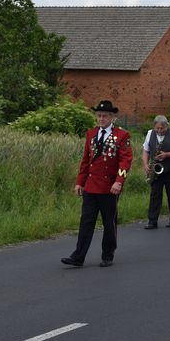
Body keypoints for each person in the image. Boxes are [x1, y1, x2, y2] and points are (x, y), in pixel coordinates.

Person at [62, 100, 133, 268]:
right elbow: (86, 160)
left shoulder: (122, 136)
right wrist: (80, 182)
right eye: (99, 116)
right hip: (91, 186)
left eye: (105, 116)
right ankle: (78, 256)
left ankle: (108, 254)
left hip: (109, 187)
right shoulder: (91, 134)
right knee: (86, 222)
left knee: (109, 222)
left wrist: (119, 181)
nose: (101, 119)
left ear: (112, 117)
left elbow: (125, 161)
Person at [142, 115, 170, 229]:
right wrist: (146, 165)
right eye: (157, 128)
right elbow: (146, 151)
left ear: (167, 126)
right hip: (156, 170)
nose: (159, 131)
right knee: (155, 195)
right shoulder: (150, 133)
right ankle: (152, 221)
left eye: (162, 128)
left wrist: (167, 154)